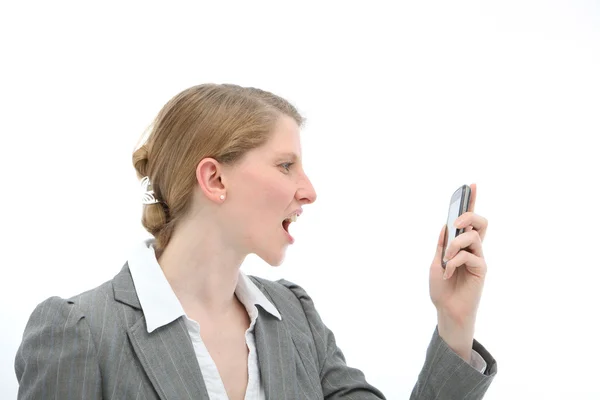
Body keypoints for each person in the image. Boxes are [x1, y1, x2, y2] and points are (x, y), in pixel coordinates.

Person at [14, 83, 497, 399]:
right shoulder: (79, 330)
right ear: (215, 179)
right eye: (286, 166)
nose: (308, 190)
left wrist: (454, 326)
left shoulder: (294, 319)